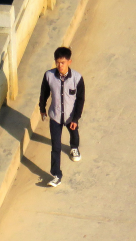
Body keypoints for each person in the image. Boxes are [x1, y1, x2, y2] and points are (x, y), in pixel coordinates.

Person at [39, 46, 86, 188]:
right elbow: (44, 93)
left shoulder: (77, 79)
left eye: (63, 63)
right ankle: (56, 174)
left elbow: (80, 99)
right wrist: (42, 109)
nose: (60, 65)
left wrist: (75, 119)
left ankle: (74, 147)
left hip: (70, 117)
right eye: (57, 62)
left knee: (74, 133)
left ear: (69, 62)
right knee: (56, 147)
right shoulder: (48, 76)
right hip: (55, 116)